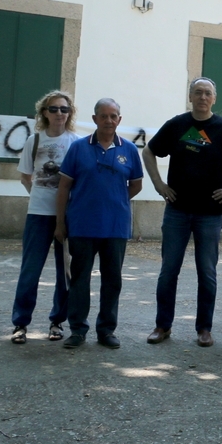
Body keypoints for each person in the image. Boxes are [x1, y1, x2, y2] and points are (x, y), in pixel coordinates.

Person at [143, 78, 222, 347]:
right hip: (177, 211)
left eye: (208, 93)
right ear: (190, 96)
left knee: (207, 272)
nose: (203, 97)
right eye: (198, 92)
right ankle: (162, 326)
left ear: (214, 99)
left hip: (210, 213)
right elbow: (149, 152)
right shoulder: (177, 125)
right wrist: (158, 184)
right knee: (168, 271)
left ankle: (204, 329)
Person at [56, 98, 144, 349]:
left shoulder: (128, 150)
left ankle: (106, 330)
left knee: (112, 280)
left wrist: (115, 200)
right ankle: (77, 330)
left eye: (113, 116)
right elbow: (64, 186)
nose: (108, 120)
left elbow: (136, 184)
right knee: (80, 278)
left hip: (115, 227)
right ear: (94, 119)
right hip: (82, 225)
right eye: (103, 116)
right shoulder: (78, 148)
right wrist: (60, 223)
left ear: (119, 119)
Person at [10, 90, 80, 344]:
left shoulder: (76, 142)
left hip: (68, 216)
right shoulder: (34, 140)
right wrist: (38, 197)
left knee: (65, 272)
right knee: (30, 270)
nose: (59, 113)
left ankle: (57, 322)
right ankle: (20, 323)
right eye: (54, 109)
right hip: (38, 215)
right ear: (44, 113)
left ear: (70, 113)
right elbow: (25, 176)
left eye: (64, 109)